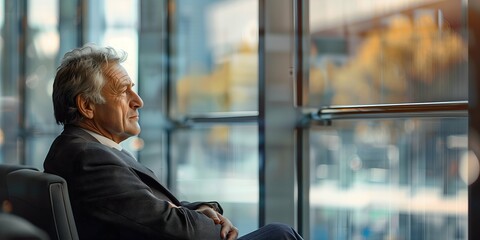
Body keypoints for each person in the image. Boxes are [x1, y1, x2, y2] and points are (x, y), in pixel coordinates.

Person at [43, 44, 304, 240]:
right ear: (87, 105)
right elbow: (171, 226)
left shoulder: (84, 149)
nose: (138, 100)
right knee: (279, 234)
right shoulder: (88, 158)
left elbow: (148, 211)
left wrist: (201, 209)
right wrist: (209, 225)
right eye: (124, 91)